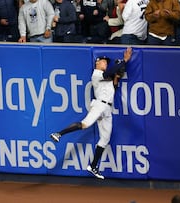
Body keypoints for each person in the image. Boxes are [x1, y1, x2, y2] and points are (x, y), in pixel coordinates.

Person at [50, 47, 133, 180]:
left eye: (106, 62)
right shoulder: (96, 74)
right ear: (97, 63)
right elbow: (109, 73)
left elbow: (114, 87)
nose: (105, 63)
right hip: (99, 105)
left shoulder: (108, 77)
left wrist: (117, 77)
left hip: (107, 109)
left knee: (105, 139)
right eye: (103, 61)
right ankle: (59, 134)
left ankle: (93, 166)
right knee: (85, 124)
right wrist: (125, 61)